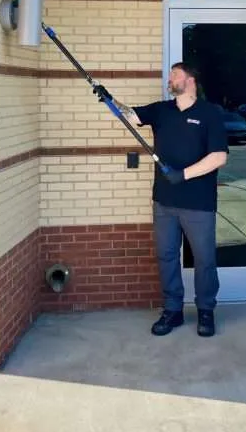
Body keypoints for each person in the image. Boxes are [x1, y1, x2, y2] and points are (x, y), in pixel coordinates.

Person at [93, 63, 227, 337]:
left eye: (175, 74)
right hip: (164, 202)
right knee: (166, 256)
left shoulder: (209, 113)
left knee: (204, 259)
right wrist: (110, 99)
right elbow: (132, 117)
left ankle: (205, 311)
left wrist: (184, 174)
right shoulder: (162, 110)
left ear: (190, 79)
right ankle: (173, 310)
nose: (170, 79)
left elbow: (219, 156)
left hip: (198, 203)